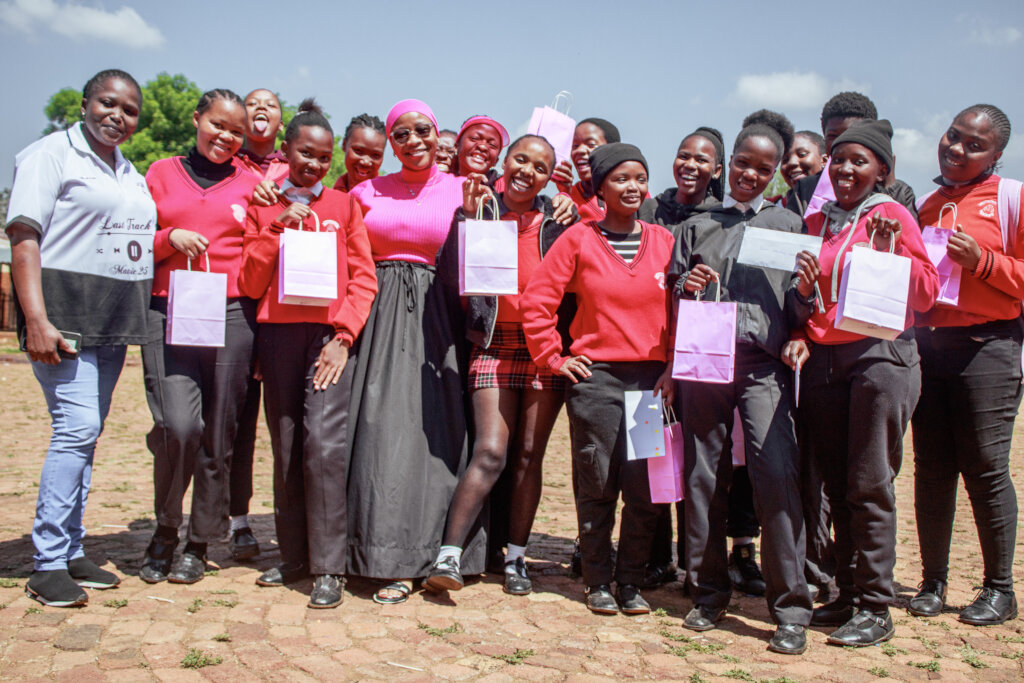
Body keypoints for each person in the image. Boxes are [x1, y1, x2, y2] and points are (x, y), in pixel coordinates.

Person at [786, 119, 939, 647]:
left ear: (883, 171)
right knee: (837, 484)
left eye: (859, 160)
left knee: (871, 482)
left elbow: (924, 295)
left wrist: (891, 251)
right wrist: (804, 295)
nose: (846, 168)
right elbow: (812, 304)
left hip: (881, 359)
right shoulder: (820, 223)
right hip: (828, 361)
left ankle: (877, 605)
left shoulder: (891, 215)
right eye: (839, 159)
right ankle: (847, 593)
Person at [7, 69, 154, 607]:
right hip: (63, 316)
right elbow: (24, 236)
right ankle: (47, 562)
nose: (117, 115)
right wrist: (37, 320)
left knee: (85, 436)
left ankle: (71, 549)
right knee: (76, 427)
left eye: (129, 109)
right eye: (108, 103)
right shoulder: (50, 155)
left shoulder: (129, 170)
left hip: (111, 322)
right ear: (85, 103)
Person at [671, 110, 815, 655]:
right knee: (703, 475)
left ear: (776, 172)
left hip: (762, 365)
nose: (750, 175)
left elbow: (797, 310)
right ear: (728, 164)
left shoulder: (788, 227)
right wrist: (689, 283)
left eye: (764, 168)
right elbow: (674, 295)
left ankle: (791, 609)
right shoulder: (697, 224)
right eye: (742, 164)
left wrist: (804, 293)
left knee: (775, 473)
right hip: (704, 359)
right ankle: (708, 594)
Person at [522, 142, 675, 616]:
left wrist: (672, 368)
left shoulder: (665, 241)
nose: (633, 187)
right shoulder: (579, 239)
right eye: (621, 179)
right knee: (597, 481)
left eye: (640, 178)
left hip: (650, 383)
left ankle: (630, 581)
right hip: (597, 382)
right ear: (601, 187)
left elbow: (681, 311)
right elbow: (537, 300)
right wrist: (553, 355)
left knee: (644, 489)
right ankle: (597, 581)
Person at [239, 99, 377, 608]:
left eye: (323, 158)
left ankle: (328, 567)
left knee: (323, 445)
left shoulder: (344, 207)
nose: (314, 165)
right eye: (304, 154)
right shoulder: (265, 204)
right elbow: (250, 281)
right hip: (277, 339)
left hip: (326, 343)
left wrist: (344, 338)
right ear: (287, 151)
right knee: (288, 444)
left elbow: (365, 279)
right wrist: (278, 228)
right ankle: (294, 556)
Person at [426, 134, 575, 596]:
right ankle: (448, 556)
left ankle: (515, 558)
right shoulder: (479, 211)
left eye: (540, 167)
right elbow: (450, 278)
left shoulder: (557, 224)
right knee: (491, 452)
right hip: (493, 345)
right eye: (521, 159)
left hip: (543, 349)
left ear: (550, 178)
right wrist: (466, 218)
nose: (527, 170)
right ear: (505, 162)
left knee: (529, 458)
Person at [345, 99, 480, 604]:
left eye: (422, 129)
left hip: (438, 321)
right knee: (378, 435)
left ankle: (428, 554)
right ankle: (377, 553)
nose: (414, 141)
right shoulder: (363, 192)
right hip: (375, 318)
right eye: (401, 134)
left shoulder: (462, 191)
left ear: (436, 132)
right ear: (390, 144)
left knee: (432, 440)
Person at [139, 89, 260, 585]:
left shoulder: (254, 183)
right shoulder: (158, 174)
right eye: (218, 125)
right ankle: (166, 527)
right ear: (197, 119)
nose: (226, 137)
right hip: (169, 309)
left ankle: (198, 540)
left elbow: (264, 248)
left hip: (231, 313)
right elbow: (124, 241)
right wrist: (168, 240)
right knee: (178, 426)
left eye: (236, 132)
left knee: (218, 433)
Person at [909, 104, 1022, 626]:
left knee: (984, 465)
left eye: (973, 145)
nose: (956, 149)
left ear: (995, 154)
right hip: (931, 349)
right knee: (931, 469)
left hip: (989, 347)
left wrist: (984, 261)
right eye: (952, 137)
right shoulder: (929, 205)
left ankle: (1000, 590)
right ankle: (932, 583)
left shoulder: (1011, 199)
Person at [227, 86, 289, 563]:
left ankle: (293, 519)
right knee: (239, 419)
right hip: (242, 308)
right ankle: (238, 519)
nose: (261, 110)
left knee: (287, 424)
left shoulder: (302, 166)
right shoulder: (228, 167)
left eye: (271, 104)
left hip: (290, 314)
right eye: (253, 104)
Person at [784, 92, 917, 218]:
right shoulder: (806, 189)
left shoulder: (899, 192)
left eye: (851, 135)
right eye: (833, 136)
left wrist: (888, 185)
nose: (841, 143)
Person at [551, 118, 621, 223]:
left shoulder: (632, 192)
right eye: (575, 145)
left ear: (613, 150)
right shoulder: (568, 198)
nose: (579, 151)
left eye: (591, 144)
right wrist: (566, 194)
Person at [332, 114, 387, 192]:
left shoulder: (388, 199)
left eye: (375, 155)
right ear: (344, 145)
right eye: (358, 151)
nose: (365, 162)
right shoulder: (328, 196)